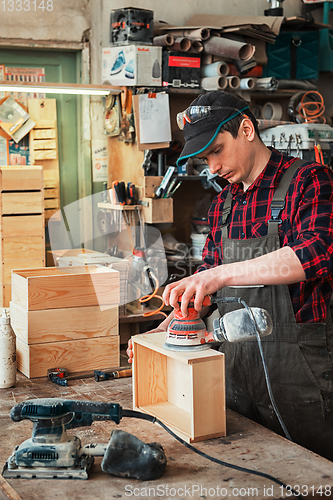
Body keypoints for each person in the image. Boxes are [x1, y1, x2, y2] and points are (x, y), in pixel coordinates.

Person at [127, 90, 333, 461]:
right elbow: (207, 283)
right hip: (235, 370)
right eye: (205, 159)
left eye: (217, 150)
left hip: (299, 373)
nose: (213, 167)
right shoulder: (224, 202)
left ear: (247, 129)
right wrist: (167, 330)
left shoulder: (310, 180)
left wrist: (222, 275)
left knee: (311, 473)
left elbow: (317, 253)